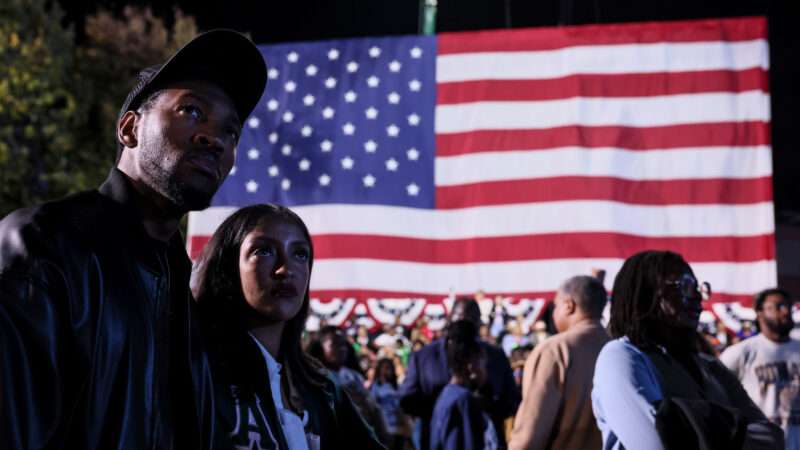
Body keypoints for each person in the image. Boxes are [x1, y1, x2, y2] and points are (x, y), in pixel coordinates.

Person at [0, 30, 266, 449]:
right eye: (192, 111)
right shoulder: (43, 245)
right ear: (129, 129)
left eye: (230, 132)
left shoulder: (188, 293)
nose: (215, 139)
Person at [191, 204, 384, 450]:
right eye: (263, 251)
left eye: (300, 254)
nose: (286, 269)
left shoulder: (322, 389)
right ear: (228, 267)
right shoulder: (196, 368)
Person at [592, 250, 784, 450]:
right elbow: (655, 444)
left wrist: (694, 422)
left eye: (698, 288)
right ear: (646, 293)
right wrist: (731, 426)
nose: (698, 297)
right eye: (684, 286)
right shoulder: (620, 356)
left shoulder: (709, 366)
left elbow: (773, 438)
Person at [399, 297, 520, 450]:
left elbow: (512, 400)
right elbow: (406, 399)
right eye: (460, 319)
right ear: (450, 318)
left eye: (471, 319)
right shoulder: (424, 357)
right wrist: (445, 407)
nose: (465, 324)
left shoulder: (494, 355)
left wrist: (482, 405)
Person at [509, 275, 610, 450]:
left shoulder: (554, 351)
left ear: (568, 305)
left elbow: (529, 433)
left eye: (555, 306)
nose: (553, 312)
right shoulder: (618, 350)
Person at [720, 288, 800, 449]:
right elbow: (717, 393)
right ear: (760, 313)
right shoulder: (741, 352)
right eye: (777, 306)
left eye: (787, 306)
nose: (785, 311)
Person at [307, 325, 391, 446]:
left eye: (343, 345)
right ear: (320, 349)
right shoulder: (315, 376)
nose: (342, 349)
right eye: (335, 345)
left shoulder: (354, 375)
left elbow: (372, 407)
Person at [430, 320, 499, 450]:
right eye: (483, 364)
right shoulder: (463, 400)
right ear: (471, 364)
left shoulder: (448, 395)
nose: (485, 371)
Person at [368, 358, 413, 450]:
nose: (389, 371)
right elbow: (373, 406)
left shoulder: (396, 386)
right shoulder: (376, 387)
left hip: (400, 427)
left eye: (391, 368)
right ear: (380, 370)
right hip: (385, 427)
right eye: (386, 368)